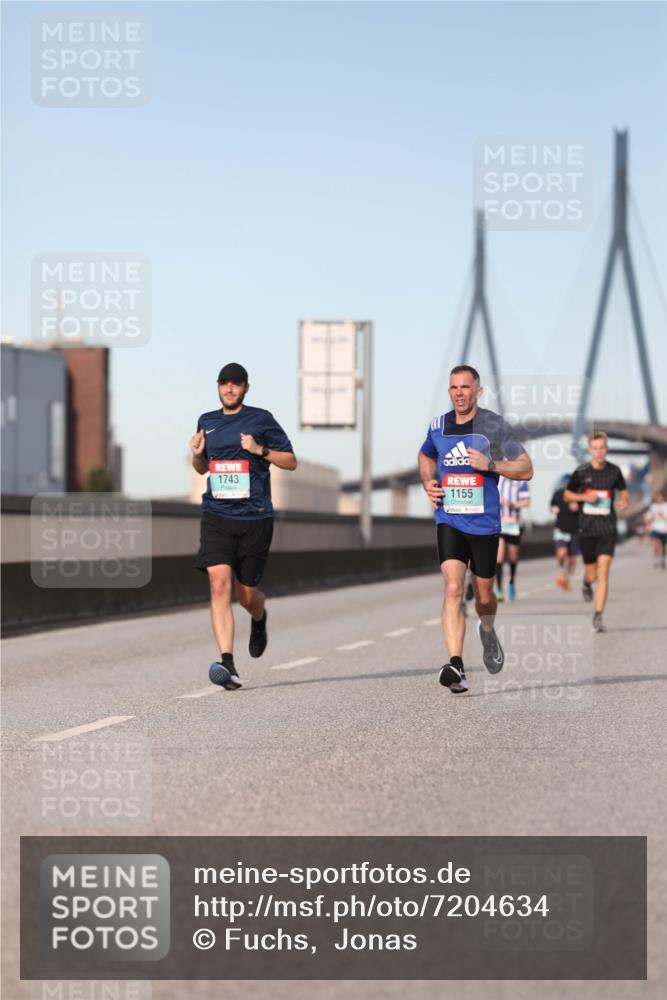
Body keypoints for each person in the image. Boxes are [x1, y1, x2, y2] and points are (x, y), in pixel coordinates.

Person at [419, 365, 534, 693]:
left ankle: (487, 628)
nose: (458, 392)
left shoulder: (494, 426)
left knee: (484, 595)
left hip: (484, 524)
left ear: (477, 392)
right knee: (454, 588)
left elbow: (526, 469)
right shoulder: (438, 426)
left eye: (465, 387)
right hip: (449, 519)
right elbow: (425, 455)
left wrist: (491, 465)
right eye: (454, 386)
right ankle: (456, 664)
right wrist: (428, 481)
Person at [190, 362, 297, 689]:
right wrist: (196, 455)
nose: (229, 389)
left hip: (255, 518)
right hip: (217, 516)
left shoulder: (261, 419)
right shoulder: (206, 422)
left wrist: (259, 450)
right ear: (218, 387)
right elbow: (201, 468)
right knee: (219, 584)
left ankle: (259, 616)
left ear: (245, 388)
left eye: (236, 384)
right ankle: (227, 663)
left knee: (246, 594)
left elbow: (291, 461)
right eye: (224, 384)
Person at [564, 431, 628, 632]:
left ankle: (598, 616)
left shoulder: (615, 472)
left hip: (607, 527)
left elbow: (623, 492)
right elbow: (567, 495)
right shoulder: (581, 472)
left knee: (604, 571)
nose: (599, 452)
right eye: (595, 448)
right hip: (587, 529)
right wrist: (584, 498)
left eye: (602, 448)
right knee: (591, 574)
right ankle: (585, 583)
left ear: (606, 449)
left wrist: (624, 500)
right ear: (590, 450)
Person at [495, 475, 531, 601]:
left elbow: (526, 501)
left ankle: (511, 582)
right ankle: (499, 589)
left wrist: (512, 504)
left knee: (513, 556)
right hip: (498, 522)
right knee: (498, 556)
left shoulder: (520, 481)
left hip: (514, 524)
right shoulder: (497, 478)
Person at [550, 474, 580, 591]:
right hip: (560, 529)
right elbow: (552, 506)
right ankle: (561, 571)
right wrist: (553, 509)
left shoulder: (577, 495)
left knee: (572, 559)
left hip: (575, 530)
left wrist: (578, 507)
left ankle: (566, 579)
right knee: (562, 553)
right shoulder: (558, 494)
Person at [645, 490, 667, 569]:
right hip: (655, 528)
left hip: (664, 529)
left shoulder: (665, 506)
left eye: (660, 497)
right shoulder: (653, 506)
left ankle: (663, 559)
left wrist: (662, 515)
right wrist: (648, 520)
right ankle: (657, 559)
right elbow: (649, 516)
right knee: (656, 544)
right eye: (657, 497)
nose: (659, 498)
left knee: (663, 546)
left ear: (663, 497)